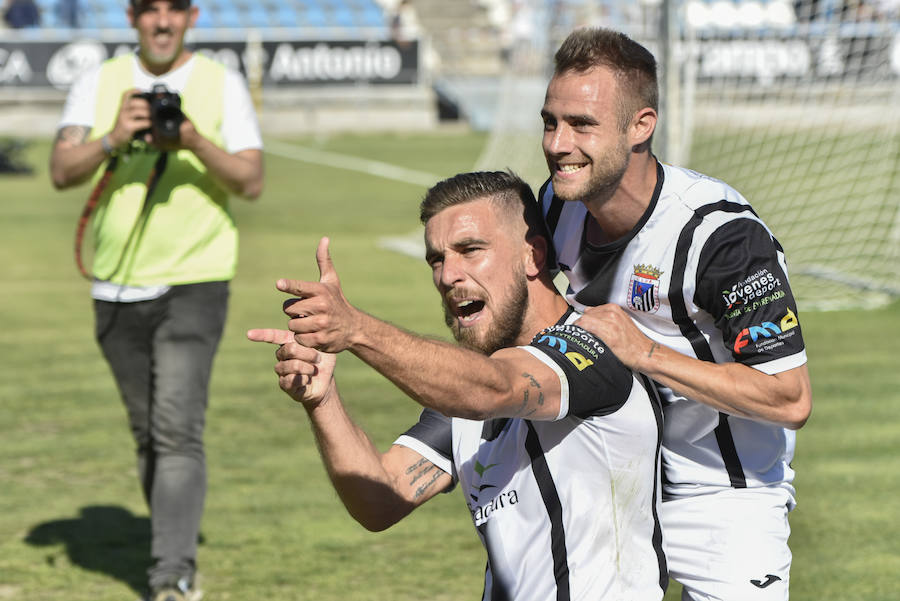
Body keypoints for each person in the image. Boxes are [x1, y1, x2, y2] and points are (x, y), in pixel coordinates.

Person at [248, 171, 668, 601]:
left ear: (532, 256)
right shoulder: (465, 393)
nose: (449, 275)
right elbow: (382, 500)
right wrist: (322, 399)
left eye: (470, 251)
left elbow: (495, 389)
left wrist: (356, 330)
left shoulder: (596, 347)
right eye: (436, 259)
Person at [537, 27, 812, 600]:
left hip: (725, 496)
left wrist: (645, 352)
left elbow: (789, 397)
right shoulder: (554, 205)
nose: (558, 143)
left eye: (582, 124)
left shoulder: (721, 238)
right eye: (551, 121)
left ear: (641, 125)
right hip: (613, 482)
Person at [48, 0, 263, 599]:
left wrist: (191, 137)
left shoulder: (221, 85)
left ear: (193, 16)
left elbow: (251, 179)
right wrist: (113, 137)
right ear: (131, 17)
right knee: (149, 434)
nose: (162, 21)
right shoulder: (99, 82)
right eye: (149, 10)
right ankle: (171, 550)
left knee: (176, 431)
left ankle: (172, 575)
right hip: (115, 285)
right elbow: (61, 169)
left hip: (195, 279)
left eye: (174, 9)